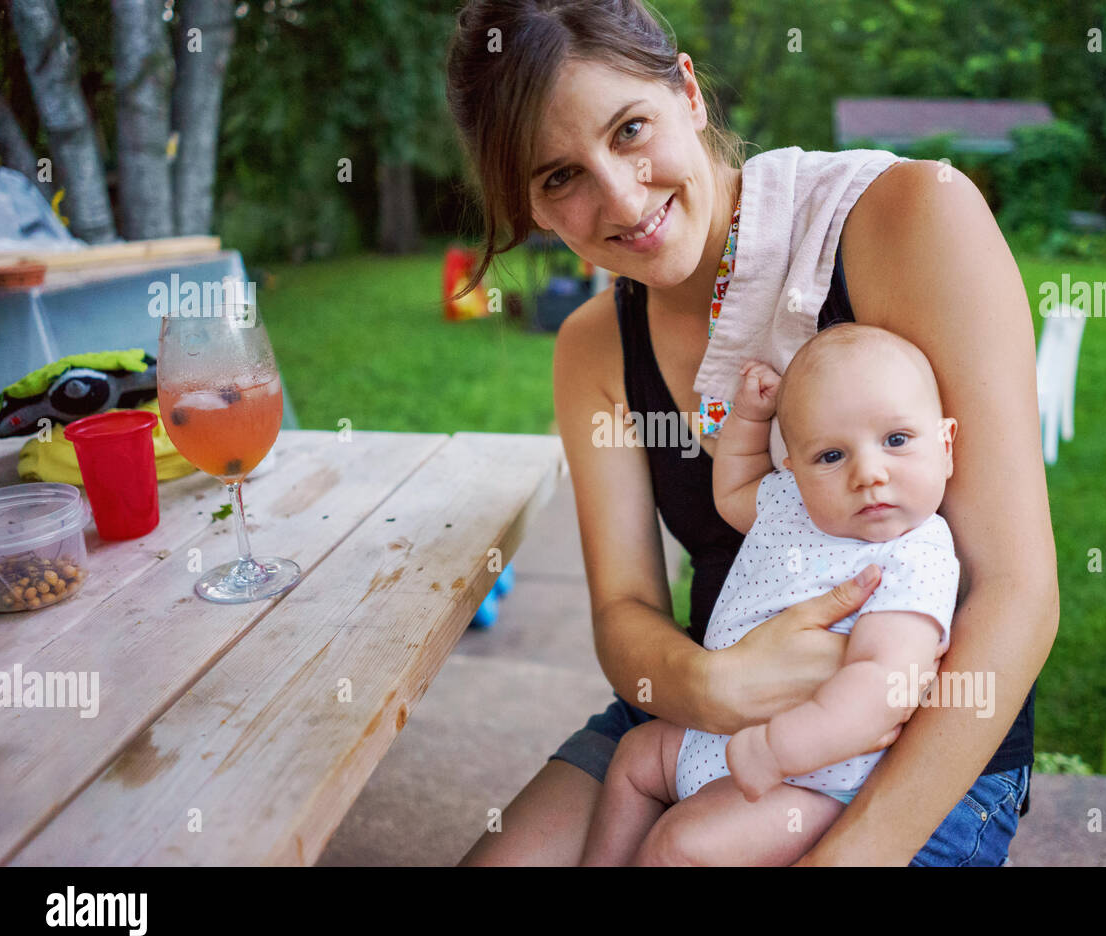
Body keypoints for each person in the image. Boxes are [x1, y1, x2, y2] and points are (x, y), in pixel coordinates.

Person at [446, 0, 1058, 866]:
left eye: (629, 129)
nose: (622, 199)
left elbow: (1020, 594)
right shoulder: (593, 348)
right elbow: (625, 612)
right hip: (698, 707)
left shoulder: (913, 216)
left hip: (905, 742)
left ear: (687, 91)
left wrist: (850, 857)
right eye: (559, 178)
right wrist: (710, 685)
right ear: (531, 208)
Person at [580, 326, 962, 865]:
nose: (868, 474)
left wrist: (780, 749)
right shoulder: (796, 503)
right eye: (831, 455)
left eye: (897, 440)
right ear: (795, 467)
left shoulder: (915, 554)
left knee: (679, 845)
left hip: (808, 780)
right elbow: (733, 490)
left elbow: (884, 686)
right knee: (635, 761)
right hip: (714, 730)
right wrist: (751, 419)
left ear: (945, 446)